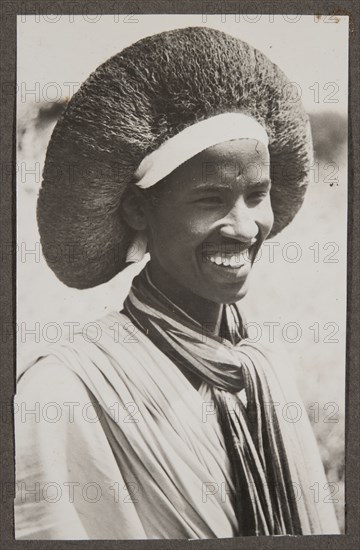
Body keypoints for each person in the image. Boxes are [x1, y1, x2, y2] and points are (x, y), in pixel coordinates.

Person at [15, 26, 339, 539]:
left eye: (256, 195)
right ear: (137, 209)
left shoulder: (265, 370)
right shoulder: (65, 391)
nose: (244, 225)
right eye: (210, 200)